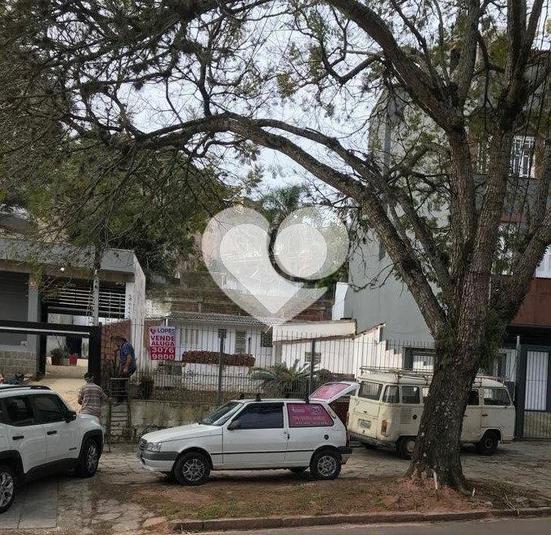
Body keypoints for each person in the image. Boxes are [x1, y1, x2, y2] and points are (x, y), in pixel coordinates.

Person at [114, 336, 136, 401]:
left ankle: (120, 400)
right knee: (122, 382)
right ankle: (125, 398)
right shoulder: (124, 346)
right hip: (129, 367)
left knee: (121, 382)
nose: (115, 343)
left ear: (120, 340)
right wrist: (117, 350)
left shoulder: (125, 346)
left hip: (129, 367)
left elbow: (129, 357)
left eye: (116, 341)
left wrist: (126, 368)